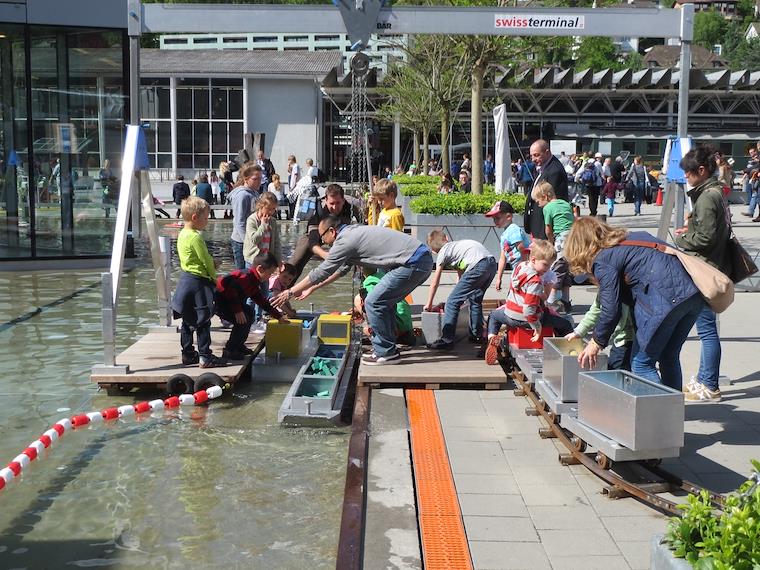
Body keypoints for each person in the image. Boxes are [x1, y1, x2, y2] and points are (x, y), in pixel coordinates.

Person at [564, 217, 705, 389]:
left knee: (641, 365)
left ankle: (663, 406)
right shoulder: (630, 239)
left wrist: (596, 342)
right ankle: (674, 405)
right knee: (668, 356)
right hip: (692, 294)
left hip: (665, 301)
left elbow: (610, 309)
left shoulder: (603, 259)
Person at [273, 216, 433, 366]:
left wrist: (290, 292)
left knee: (373, 302)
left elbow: (322, 271)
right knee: (384, 302)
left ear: (332, 231)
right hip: (419, 259)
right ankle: (387, 348)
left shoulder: (345, 240)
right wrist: (312, 288)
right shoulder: (351, 234)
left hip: (413, 262)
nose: (323, 243)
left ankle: (386, 352)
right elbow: (340, 270)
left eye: (322, 238)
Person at [675, 146, 732, 403]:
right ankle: (703, 379)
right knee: (707, 329)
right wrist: (691, 230)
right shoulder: (715, 192)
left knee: (707, 330)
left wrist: (684, 238)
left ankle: (709, 384)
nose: (686, 177)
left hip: (705, 270)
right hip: (713, 265)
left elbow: (706, 238)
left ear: (701, 170)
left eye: (688, 173)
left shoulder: (707, 197)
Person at [483, 240, 573, 365]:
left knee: (493, 316)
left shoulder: (520, 267)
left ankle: (492, 338)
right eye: (545, 265)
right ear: (534, 260)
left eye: (549, 266)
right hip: (526, 319)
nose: (547, 269)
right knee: (564, 324)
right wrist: (537, 326)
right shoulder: (535, 281)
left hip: (509, 315)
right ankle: (566, 351)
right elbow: (528, 309)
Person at [170, 196, 223, 368]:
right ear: (195, 217)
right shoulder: (195, 237)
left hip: (186, 279)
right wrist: (214, 276)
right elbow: (205, 260)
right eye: (205, 218)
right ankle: (205, 356)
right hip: (199, 282)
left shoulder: (182, 234)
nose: (207, 221)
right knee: (203, 319)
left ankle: (187, 353)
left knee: (187, 319)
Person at [423, 231, 497, 348]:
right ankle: (476, 335)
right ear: (447, 238)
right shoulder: (457, 247)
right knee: (475, 299)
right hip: (491, 264)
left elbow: (435, 282)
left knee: (451, 302)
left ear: (433, 251)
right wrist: (460, 294)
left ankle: (446, 340)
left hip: (477, 265)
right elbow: (461, 275)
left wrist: (429, 303)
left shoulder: (443, 253)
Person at [215, 253, 285, 361]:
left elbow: (261, 301)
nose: (270, 277)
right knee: (243, 320)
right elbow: (231, 290)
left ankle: (239, 345)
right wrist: (238, 311)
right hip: (219, 301)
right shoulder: (245, 277)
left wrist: (278, 316)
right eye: (270, 273)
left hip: (230, 302)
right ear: (260, 269)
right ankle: (230, 350)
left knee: (250, 312)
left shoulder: (254, 281)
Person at [288, 183, 361, 281]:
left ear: (343, 200)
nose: (334, 207)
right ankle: (283, 282)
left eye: (338, 203)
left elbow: (364, 227)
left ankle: (361, 279)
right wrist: (326, 255)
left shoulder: (351, 207)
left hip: (340, 235)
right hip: (317, 235)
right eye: (331, 203)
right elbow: (313, 242)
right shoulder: (318, 210)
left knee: (360, 245)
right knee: (299, 256)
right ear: (326, 200)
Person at [532, 181, 574, 314]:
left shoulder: (548, 208)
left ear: (545, 196)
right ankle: (566, 301)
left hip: (561, 240)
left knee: (556, 271)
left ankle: (550, 302)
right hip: (573, 240)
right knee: (566, 271)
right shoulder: (566, 204)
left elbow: (548, 229)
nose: (538, 204)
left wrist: (550, 243)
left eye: (538, 201)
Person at [243, 192, 281, 322]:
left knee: (264, 291)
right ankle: (249, 317)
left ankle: (259, 317)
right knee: (251, 290)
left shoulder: (273, 222)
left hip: (267, 261)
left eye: (273, 209)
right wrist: (263, 225)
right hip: (253, 260)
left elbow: (276, 243)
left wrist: (278, 261)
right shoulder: (252, 220)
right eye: (268, 208)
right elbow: (254, 239)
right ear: (260, 206)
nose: (271, 212)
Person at [354, 269, 415, 346]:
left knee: (358, 299)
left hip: (397, 329)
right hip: (406, 325)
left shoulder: (369, 281)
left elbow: (375, 304)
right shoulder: (383, 275)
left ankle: (379, 335)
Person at [525, 139, 569, 239]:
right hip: (537, 226)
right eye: (531, 156)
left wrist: (548, 235)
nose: (533, 159)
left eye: (536, 155)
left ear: (547, 152)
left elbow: (551, 202)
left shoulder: (554, 171)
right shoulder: (544, 167)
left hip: (544, 228)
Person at [484, 200, 531, 291]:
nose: (495, 221)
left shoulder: (513, 229)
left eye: (497, 218)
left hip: (523, 267)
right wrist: (499, 278)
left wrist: (524, 267)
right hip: (517, 268)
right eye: (494, 219)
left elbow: (522, 249)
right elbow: (503, 258)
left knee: (520, 291)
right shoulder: (504, 235)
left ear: (508, 216)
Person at [228, 164, 263, 269]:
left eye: (260, 178)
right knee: (242, 273)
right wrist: (247, 242)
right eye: (255, 179)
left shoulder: (255, 193)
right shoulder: (242, 195)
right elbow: (239, 222)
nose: (259, 182)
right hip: (241, 241)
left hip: (252, 238)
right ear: (246, 179)